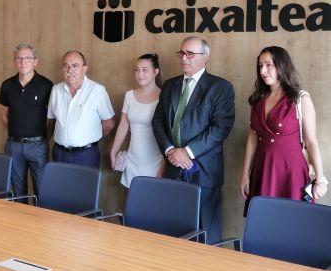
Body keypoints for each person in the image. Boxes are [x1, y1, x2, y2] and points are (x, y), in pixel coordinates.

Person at [152, 36, 235, 243]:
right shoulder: (170, 85)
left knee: (206, 231)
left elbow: (221, 128)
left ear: (205, 57)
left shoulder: (220, 87)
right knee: (173, 227)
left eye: (190, 54)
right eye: (181, 53)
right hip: (173, 167)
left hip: (204, 170)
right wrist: (170, 150)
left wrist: (187, 152)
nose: (184, 58)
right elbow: (158, 122)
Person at [240, 46, 328, 215]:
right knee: (263, 220)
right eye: (260, 66)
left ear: (282, 66)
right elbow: (253, 136)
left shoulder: (300, 99)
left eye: (269, 65)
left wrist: (320, 179)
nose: (263, 71)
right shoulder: (258, 99)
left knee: (292, 220)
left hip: (291, 172)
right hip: (262, 170)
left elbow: (311, 142)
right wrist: (245, 174)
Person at [0, 43, 53, 200]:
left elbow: (52, 119)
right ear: (15, 61)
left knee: (42, 192)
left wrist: (43, 139)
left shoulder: (46, 85)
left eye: (28, 58)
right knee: (18, 193)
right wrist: (17, 134)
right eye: (19, 58)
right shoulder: (7, 85)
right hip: (14, 145)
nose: (23, 62)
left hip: (38, 145)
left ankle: (40, 217)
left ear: (35, 61)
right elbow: (3, 115)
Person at [47, 51, 115, 168]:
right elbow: (52, 120)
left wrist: (89, 137)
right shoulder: (56, 90)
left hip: (86, 155)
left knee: (86, 181)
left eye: (75, 65)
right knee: (59, 181)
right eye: (66, 65)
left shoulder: (97, 91)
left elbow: (108, 124)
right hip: (59, 153)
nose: (70, 70)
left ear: (84, 69)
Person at [110, 54, 164, 189]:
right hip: (132, 159)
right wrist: (113, 151)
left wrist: (164, 165)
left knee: (153, 198)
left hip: (156, 160)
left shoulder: (164, 97)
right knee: (132, 198)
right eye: (137, 70)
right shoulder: (129, 95)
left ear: (155, 72)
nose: (140, 74)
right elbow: (123, 125)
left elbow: (169, 133)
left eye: (145, 70)